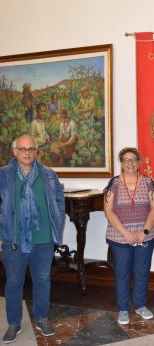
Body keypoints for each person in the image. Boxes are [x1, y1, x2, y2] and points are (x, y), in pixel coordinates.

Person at [0, 134, 65, 343]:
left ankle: (42, 318)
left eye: (31, 149)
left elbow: (58, 201)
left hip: (43, 239)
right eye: (23, 149)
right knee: (14, 283)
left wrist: (58, 226)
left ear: (36, 151)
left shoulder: (48, 174)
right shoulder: (3, 175)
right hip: (14, 240)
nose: (27, 153)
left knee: (43, 280)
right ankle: (13, 323)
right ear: (15, 151)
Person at [103, 147, 154, 326]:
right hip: (120, 237)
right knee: (122, 273)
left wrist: (144, 232)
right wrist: (125, 232)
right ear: (121, 162)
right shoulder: (113, 184)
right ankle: (123, 309)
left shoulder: (148, 183)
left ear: (139, 162)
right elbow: (108, 211)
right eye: (126, 160)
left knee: (142, 271)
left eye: (134, 159)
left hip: (146, 236)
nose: (130, 163)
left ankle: (141, 306)